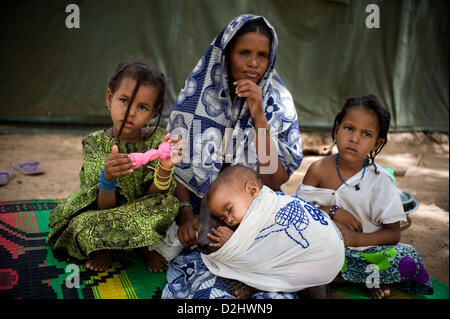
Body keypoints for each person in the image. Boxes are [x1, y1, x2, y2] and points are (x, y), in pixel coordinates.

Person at [162, 14, 303, 299]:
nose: (253, 63)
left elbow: (277, 178)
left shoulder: (277, 101)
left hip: (255, 208)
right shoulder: (198, 94)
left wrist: (259, 115)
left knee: (284, 260)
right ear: (226, 54)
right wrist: (187, 215)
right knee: (202, 258)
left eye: (262, 55)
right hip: (203, 209)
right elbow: (177, 165)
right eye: (244, 53)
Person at [47, 60, 185, 273]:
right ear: (109, 98)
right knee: (79, 227)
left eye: (142, 107)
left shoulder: (157, 140)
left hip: (140, 212)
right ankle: (119, 246)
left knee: (167, 205)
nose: (130, 112)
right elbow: (102, 207)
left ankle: (137, 246)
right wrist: (108, 178)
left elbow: (153, 196)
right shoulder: (94, 143)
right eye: (124, 100)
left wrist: (165, 168)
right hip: (104, 212)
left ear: (153, 113)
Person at [296, 94, 433, 298]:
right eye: (349, 128)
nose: (354, 138)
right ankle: (357, 278)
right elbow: (297, 214)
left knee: (407, 258)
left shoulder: (381, 181)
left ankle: (334, 278)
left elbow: (393, 234)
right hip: (323, 250)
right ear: (336, 129)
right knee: (293, 245)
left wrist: (356, 239)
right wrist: (330, 211)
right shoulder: (318, 170)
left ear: (377, 144)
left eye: (366, 134)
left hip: (367, 253)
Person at [202, 165, 344, 298]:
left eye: (230, 210)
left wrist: (233, 241)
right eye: (223, 218)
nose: (229, 220)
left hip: (316, 259)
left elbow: (261, 253)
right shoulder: (266, 205)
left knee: (263, 271)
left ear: (252, 190)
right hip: (328, 258)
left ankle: (255, 287)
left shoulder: (268, 210)